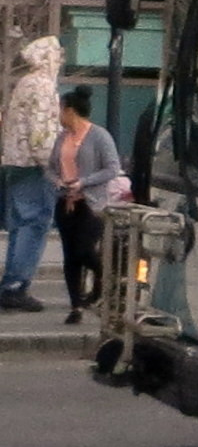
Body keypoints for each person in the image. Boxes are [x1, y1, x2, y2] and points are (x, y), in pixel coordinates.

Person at [47, 87, 122, 325]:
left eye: (60, 109)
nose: (58, 115)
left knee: (83, 250)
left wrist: (84, 182)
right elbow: (49, 167)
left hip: (90, 204)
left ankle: (104, 279)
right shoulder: (62, 138)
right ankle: (75, 306)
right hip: (66, 202)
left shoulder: (99, 136)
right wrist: (57, 180)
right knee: (70, 256)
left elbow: (112, 168)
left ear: (70, 111)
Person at [0, 36, 60, 312]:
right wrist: (53, 165)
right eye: (58, 55)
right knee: (34, 223)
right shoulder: (44, 86)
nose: (60, 60)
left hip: (14, 161)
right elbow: (41, 132)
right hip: (34, 166)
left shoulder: (24, 83)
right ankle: (17, 283)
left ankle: (10, 284)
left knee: (19, 223)